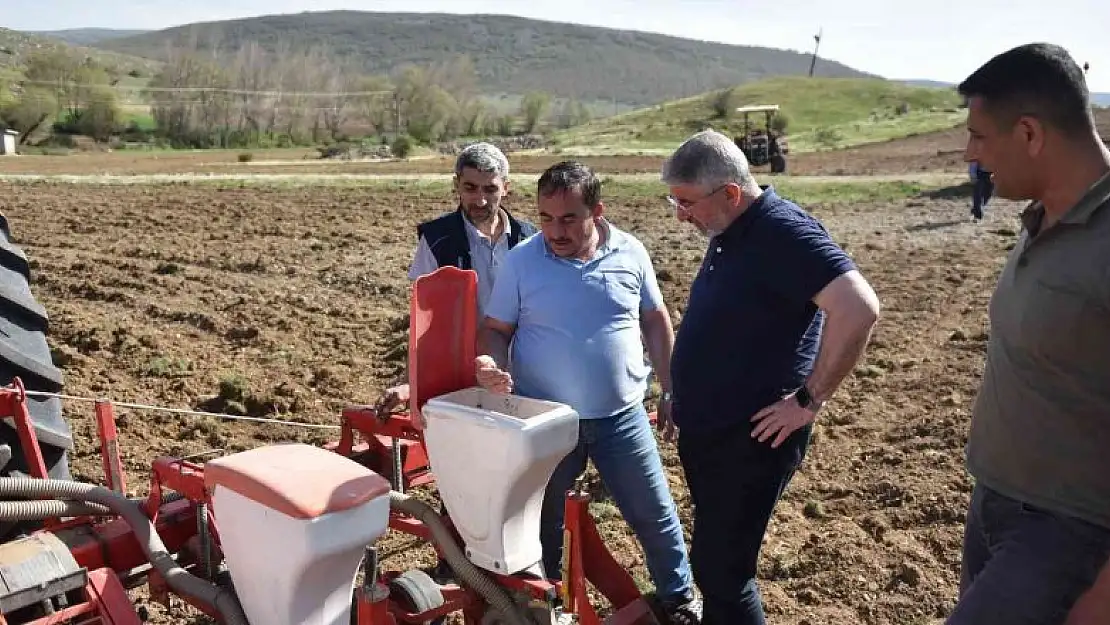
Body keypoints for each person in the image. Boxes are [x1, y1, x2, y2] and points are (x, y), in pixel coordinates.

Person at [659, 129, 881, 625]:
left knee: (724, 573)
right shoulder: (731, 230)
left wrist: (808, 399)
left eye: (687, 202)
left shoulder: (783, 232)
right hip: (713, 434)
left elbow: (859, 308)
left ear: (730, 193)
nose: (680, 214)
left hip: (752, 436)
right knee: (716, 566)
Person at [474, 160, 702, 624]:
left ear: (596, 212)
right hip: (549, 422)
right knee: (543, 518)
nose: (555, 231)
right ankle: (548, 604)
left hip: (622, 416)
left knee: (653, 512)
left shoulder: (630, 252)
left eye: (568, 219)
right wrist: (492, 363)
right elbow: (495, 329)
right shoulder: (522, 262)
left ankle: (680, 599)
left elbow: (654, 319)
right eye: (546, 218)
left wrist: (670, 385)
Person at [945, 43, 1110, 625]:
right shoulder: (1044, 214)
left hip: (1068, 534)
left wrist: (1103, 598)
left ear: (1030, 134)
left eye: (979, 137)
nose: (969, 154)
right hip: (993, 502)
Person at [373, 142, 538, 416]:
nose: (480, 200)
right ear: (456, 185)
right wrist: (409, 383)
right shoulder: (437, 241)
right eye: (470, 188)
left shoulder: (530, 239)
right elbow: (426, 323)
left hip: (522, 373)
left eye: (490, 189)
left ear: (506, 188)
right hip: (461, 374)